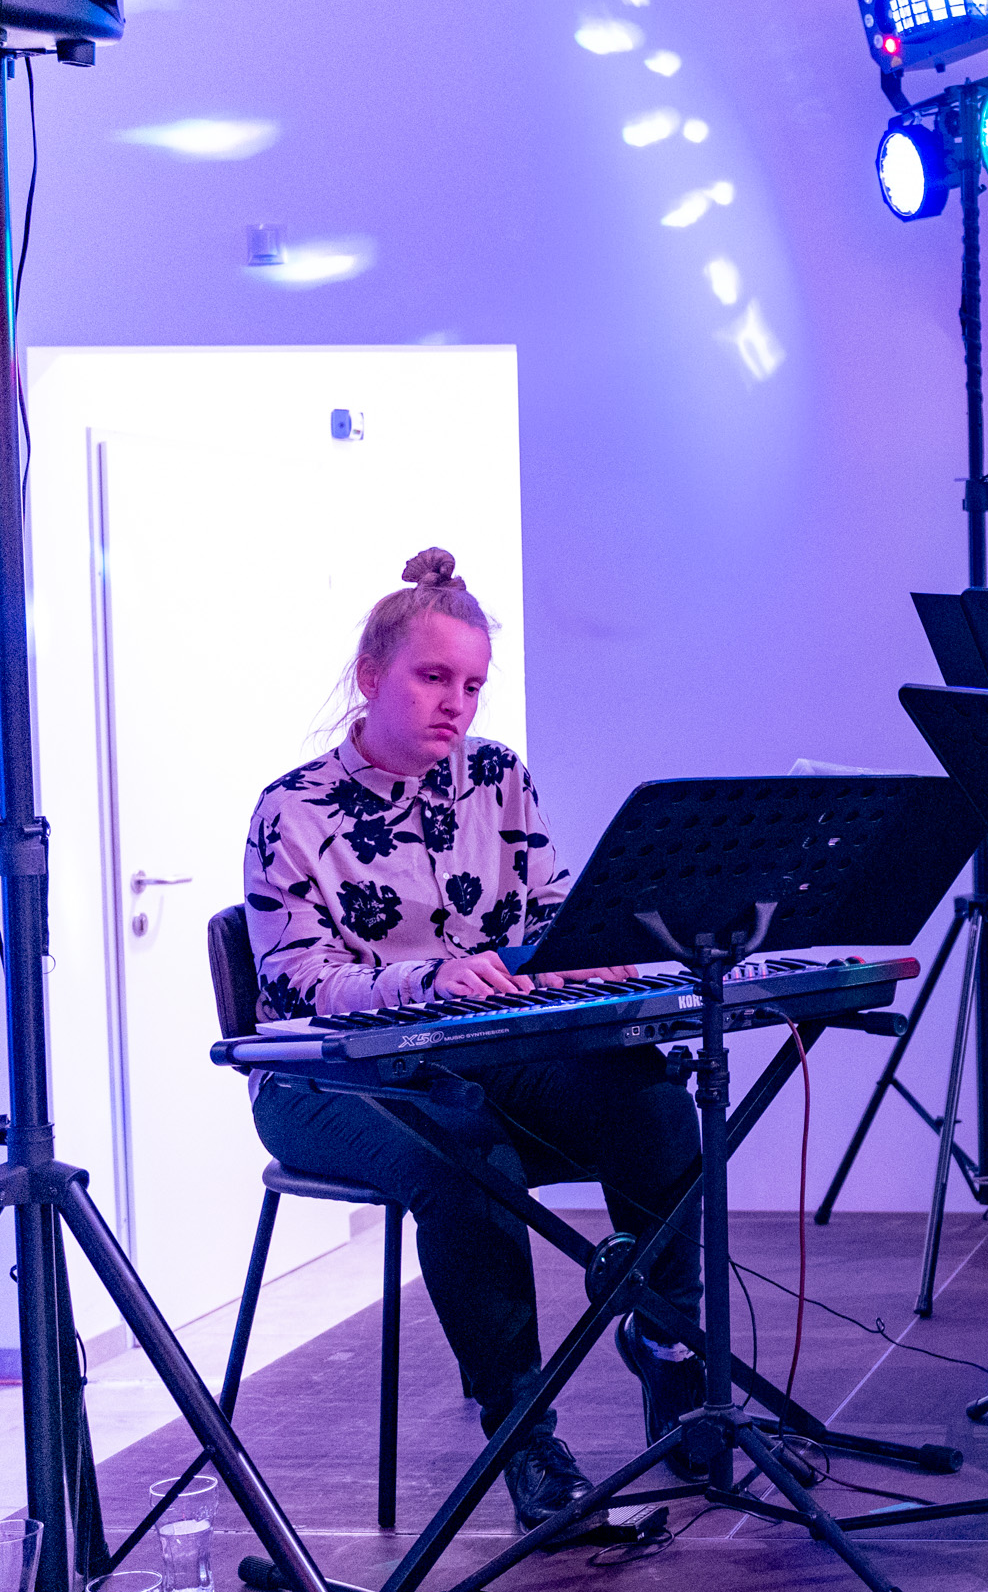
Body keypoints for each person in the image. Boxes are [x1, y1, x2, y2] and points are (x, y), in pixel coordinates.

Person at [242, 551, 707, 1541]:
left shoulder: (496, 778)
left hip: (475, 1057)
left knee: (652, 1099)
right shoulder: (292, 810)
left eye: (472, 684)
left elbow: (547, 911)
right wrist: (430, 976)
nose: (456, 703)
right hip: (324, 1078)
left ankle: (671, 1350)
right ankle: (523, 1438)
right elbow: (298, 984)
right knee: (466, 1160)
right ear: (371, 675)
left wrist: (585, 953)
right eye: (433, 677)